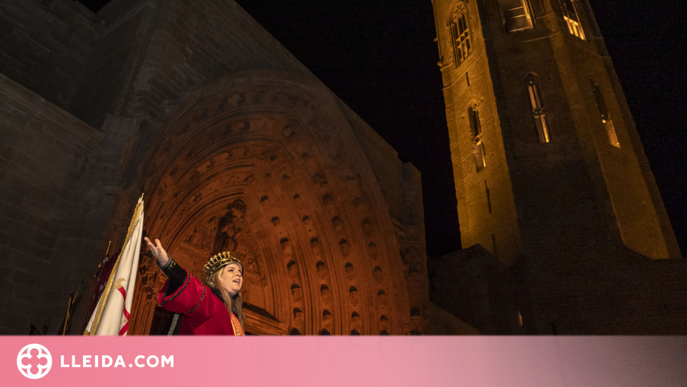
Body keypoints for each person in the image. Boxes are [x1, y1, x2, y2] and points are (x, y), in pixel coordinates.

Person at [145, 237, 245, 335]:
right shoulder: (211, 302)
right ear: (217, 277)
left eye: (240, 271)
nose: (238, 274)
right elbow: (192, 290)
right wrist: (168, 264)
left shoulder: (234, 318)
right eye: (231, 270)